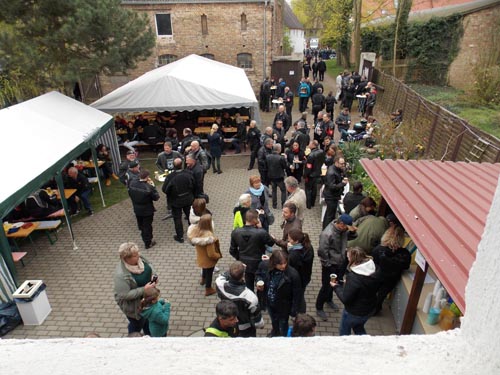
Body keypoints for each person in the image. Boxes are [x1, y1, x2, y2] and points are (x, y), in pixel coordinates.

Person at [315, 214, 357, 321]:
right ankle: (319, 307)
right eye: (347, 227)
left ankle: (329, 299)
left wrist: (352, 231)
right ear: (341, 224)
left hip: (340, 262)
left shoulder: (343, 231)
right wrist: (327, 265)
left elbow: (352, 236)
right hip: (330, 265)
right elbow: (322, 251)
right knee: (326, 286)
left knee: (335, 282)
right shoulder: (327, 234)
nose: (347, 229)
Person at [332, 246, 381, 335]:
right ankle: (364, 340)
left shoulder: (354, 277)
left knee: (344, 331)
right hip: (369, 309)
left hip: (354, 312)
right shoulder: (375, 269)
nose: (347, 259)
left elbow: (345, 299)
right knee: (358, 327)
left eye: (348, 257)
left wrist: (336, 287)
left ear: (353, 259)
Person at [256, 249, 302, 337]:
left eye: (285, 263)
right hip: (269, 302)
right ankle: (275, 331)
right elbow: (258, 274)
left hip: (283, 306)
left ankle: (283, 336)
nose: (283, 266)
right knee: (273, 320)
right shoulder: (264, 265)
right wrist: (259, 281)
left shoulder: (293, 274)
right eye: (280, 264)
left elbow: (297, 294)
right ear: (273, 262)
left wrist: (293, 310)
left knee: (283, 322)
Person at [113, 242, 157, 335]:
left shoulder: (140, 258)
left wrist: (154, 276)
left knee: (147, 319)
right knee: (137, 324)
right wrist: (144, 290)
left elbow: (150, 265)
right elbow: (124, 295)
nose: (138, 256)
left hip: (146, 300)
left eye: (138, 253)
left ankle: (149, 335)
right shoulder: (120, 275)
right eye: (135, 255)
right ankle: (133, 337)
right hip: (134, 306)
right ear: (126, 258)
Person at [215, 261, 265, 337]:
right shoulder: (250, 296)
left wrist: (235, 269)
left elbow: (223, 276)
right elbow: (256, 316)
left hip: (228, 323)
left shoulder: (220, 283)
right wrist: (260, 325)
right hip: (245, 327)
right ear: (243, 275)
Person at [230, 209, 275, 291]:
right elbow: (271, 243)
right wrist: (261, 228)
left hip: (244, 264)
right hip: (259, 263)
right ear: (255, 220)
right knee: (261, 282)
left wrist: (240, 258)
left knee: (248, 284)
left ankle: (250, 299)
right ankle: (260, 299)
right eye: (258, 218)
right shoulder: (261, 232)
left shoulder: (235, 232)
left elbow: (232, 250)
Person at [372, 223, 411, 314]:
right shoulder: (404, 253)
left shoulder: (379, 249)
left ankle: (368, 307)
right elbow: (406, 266)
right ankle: (375, 310)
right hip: (391, 279)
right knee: (382, 294)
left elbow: (374, 260)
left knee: (373, 291)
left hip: (378, 275)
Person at [187, 213, 222, 296]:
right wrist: (218, 256)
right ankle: (208, 288)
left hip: (201, 258)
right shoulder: (208, 238)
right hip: (209, 260)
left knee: (204, 268)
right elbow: (211, 254)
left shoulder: (195, 231)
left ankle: (203, 279)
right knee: (209, 273)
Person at [163, 158, 195, 243]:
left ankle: (180, 236)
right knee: (190, 216)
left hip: (176, 201)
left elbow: (165, 189)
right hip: (188, 199)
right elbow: (194, 184)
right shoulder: (188, 173)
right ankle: (193, 234)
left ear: (173, 166)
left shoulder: (170, 177)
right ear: (182, 164)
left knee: (177, 218)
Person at [128, 170, 160, 249]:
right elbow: (156, 197)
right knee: (147, 226)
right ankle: (148, 243)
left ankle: (144, 236)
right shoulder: (148, 187)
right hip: (147, 210)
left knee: (142, 225)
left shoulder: (132, 184)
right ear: (147, 177)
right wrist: (153, 186)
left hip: (137, 209)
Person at [286, 228, 314, 313]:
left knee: (298, 297)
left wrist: (290, 250)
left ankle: (298, 313)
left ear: (296, 241)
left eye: (290, 239)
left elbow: (290, 267)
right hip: (305, 277)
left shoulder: (294, 254)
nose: (288, 240)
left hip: (298, 280)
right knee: (300, 295)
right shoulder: (308, 247)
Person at [323, 156, 348, 230]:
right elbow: (332, 186)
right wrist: (342, 184)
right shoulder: (331, 172)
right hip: (331, 196)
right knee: (330, 215)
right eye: (341, 164)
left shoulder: (338, 169)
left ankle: (327, 228)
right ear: (336, 163)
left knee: (330, 213)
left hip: (334, 195)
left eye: (344, 163)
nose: (343, 165)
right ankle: (327, 229)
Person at [304, 140, 325, 209]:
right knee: (314, 189)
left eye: (310, 143)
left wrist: (305, 175)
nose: (308, 145)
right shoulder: (321, 152)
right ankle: (313, 203)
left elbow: (308, 167)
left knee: (308, 189)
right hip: (318, 173)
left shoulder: (311, 155)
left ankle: (308, 205)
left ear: (313, 145)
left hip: (310, 175)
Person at [266, 144, 287, 209]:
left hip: (271, 177)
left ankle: (274, 205)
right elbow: (285, 166)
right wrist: (285, 159)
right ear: (279, 149)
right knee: (283, 190)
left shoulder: (268, 156)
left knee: (274, 191)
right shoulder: (281, 158)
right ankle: (283, 204)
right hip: (279, 177)